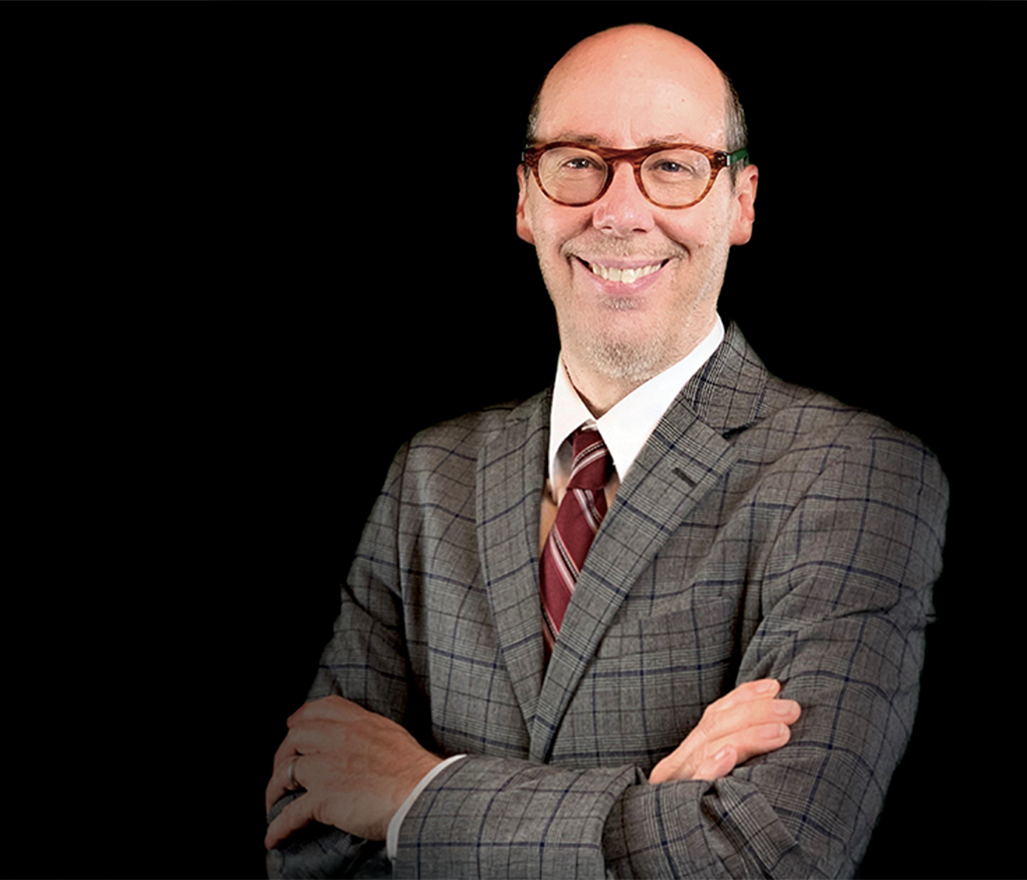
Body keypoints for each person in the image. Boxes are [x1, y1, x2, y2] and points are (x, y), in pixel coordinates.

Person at [265, 24, 947, 879]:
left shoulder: (854, 473)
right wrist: (659, 806)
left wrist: (413, 797)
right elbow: (308, 830)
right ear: (526, 200)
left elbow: (770, 852)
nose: (620, 211)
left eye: (671, 165)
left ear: (741, 202)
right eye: (578, 161)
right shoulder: (429, 476)